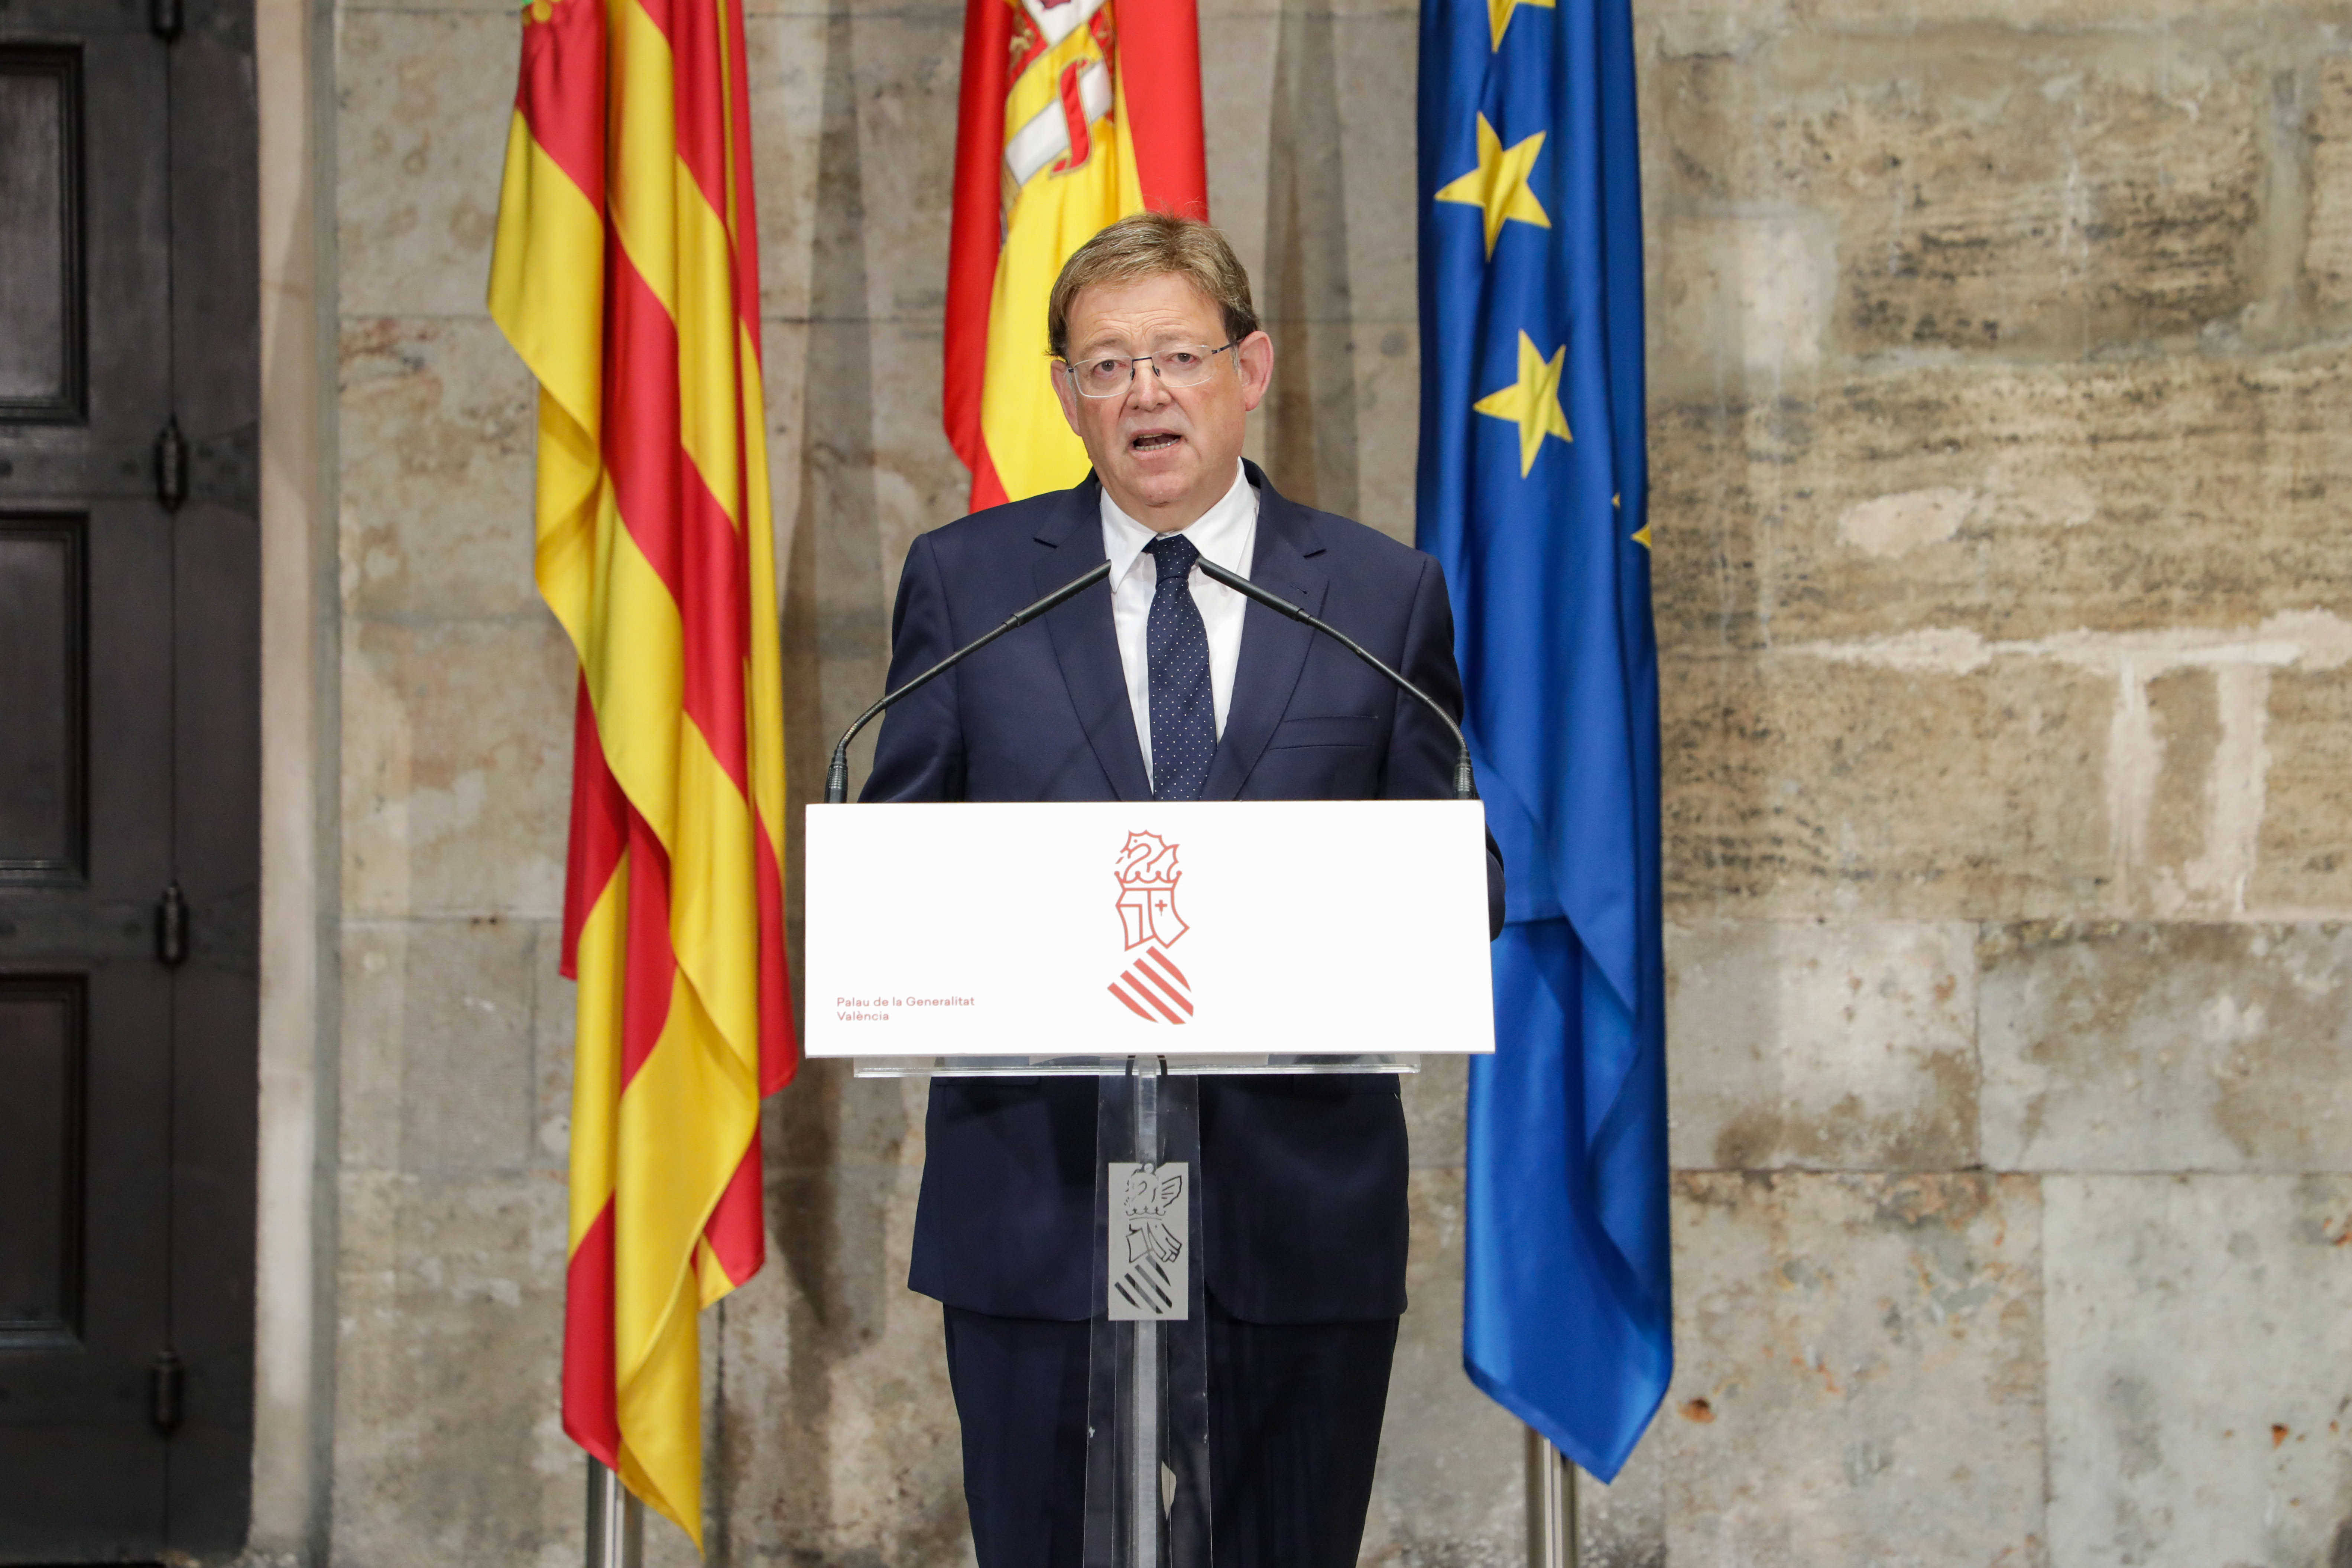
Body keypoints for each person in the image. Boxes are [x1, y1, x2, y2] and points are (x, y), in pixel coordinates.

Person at [862, 212, 1501, 1568]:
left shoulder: (1380, 595)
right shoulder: (970, 585)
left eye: (1175, 355)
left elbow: (1458, 873)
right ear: (1064, 396)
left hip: (1293, 1205)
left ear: (1250, 367)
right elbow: (899, 855)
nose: (1143, 392)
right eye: (1104, 366)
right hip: (1038, 1197)